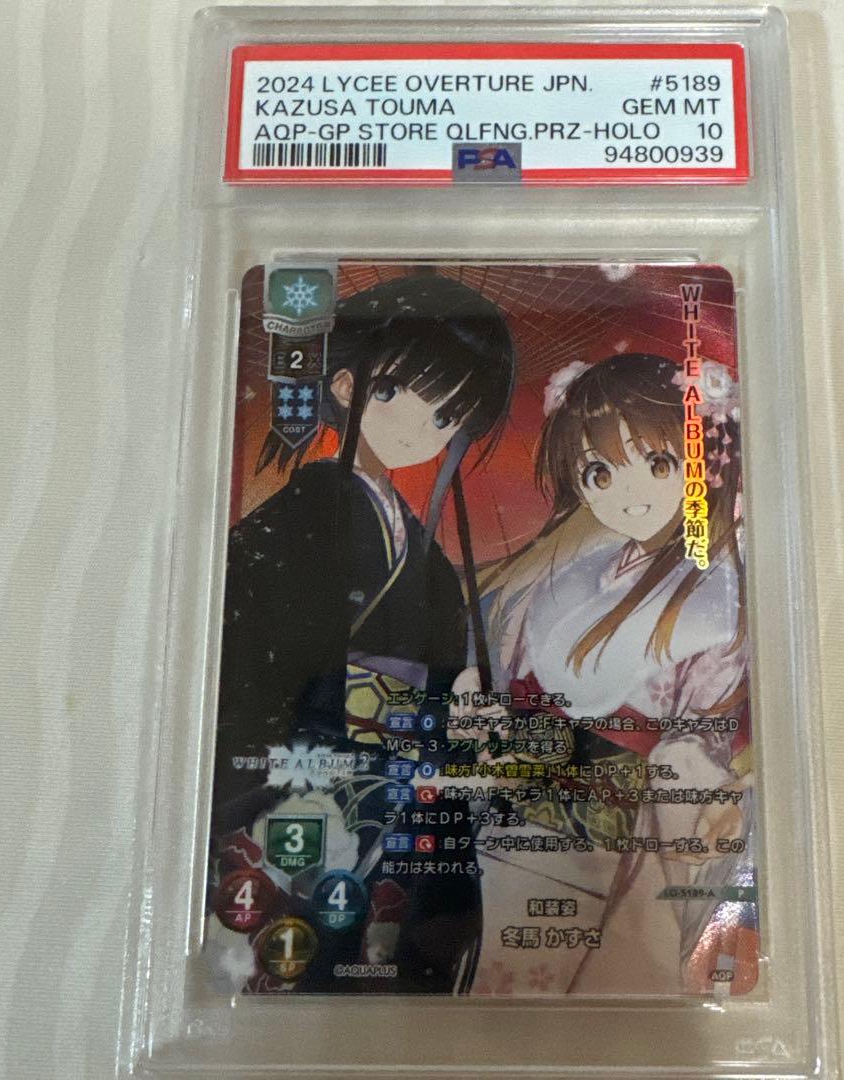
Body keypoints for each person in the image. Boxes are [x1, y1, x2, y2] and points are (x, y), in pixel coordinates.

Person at [211, 272, 515, 994]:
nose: (420, 426)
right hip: (308, 791)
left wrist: (462, 705)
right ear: (346, 386)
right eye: (395, 392)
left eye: (447, 414)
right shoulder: (304, 516)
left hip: (390, 793)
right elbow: (262, 666)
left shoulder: (417, 547)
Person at [465, 353, 753, 993]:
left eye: (658, 463)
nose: (627, 493)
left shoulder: (720, 597)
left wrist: (696, 786)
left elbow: (696, 742)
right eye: (599, 472)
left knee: (581, 980)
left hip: (614, 828)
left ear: (705, 459)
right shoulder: (581, 572)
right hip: (519, 809)